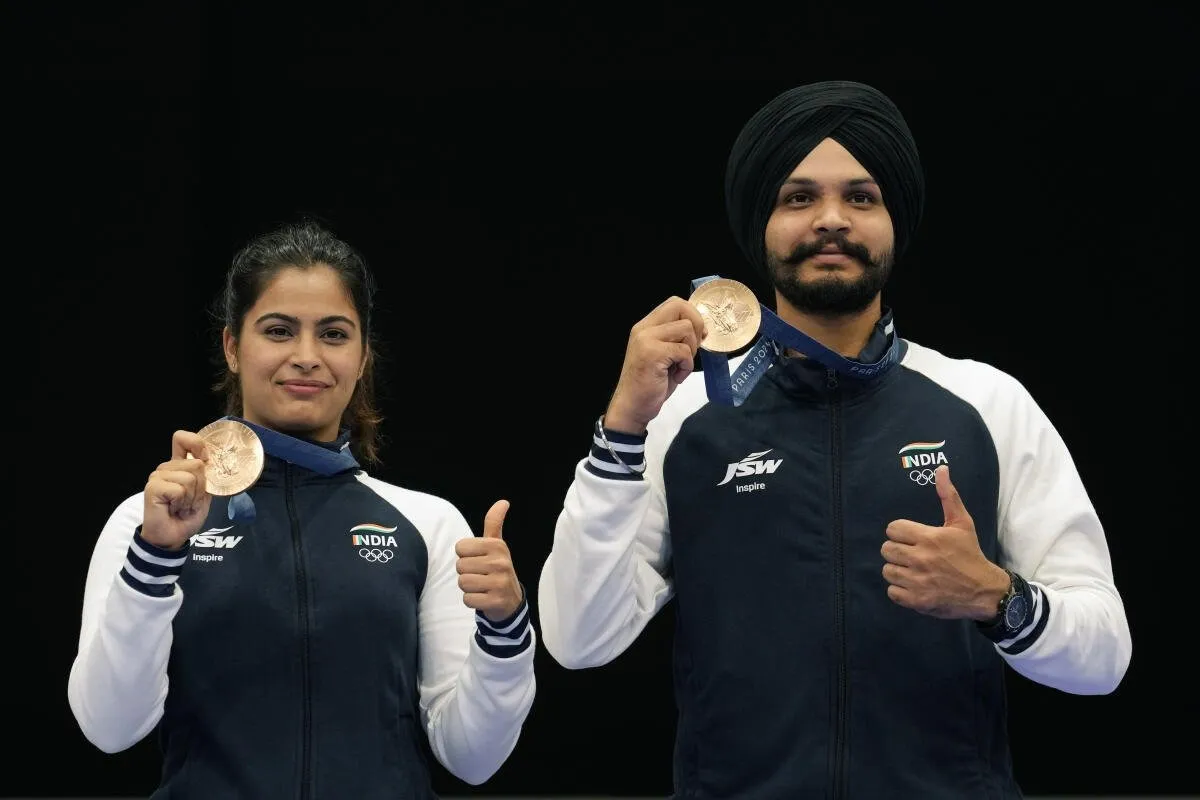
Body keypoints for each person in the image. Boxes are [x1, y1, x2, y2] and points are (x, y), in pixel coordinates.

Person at [537, 80, 1131, 799]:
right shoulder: (683, 417)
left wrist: (996, 598)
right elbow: (576, 639)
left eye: (860, 196)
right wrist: (623, 427)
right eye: (797, 198)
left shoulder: (988, 403)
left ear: (893, 222)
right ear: (762, 224)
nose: (829, 219)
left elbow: (1104, 657)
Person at [68, 219, 537, 798]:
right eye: (279, 330)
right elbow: (108, 729)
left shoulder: (429, 524)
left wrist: (505, 630)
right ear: (233, 347)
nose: (307, 356)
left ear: (363, 357)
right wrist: (155, 559)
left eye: (334, 334)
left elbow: (474, 757)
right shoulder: (147, 523)